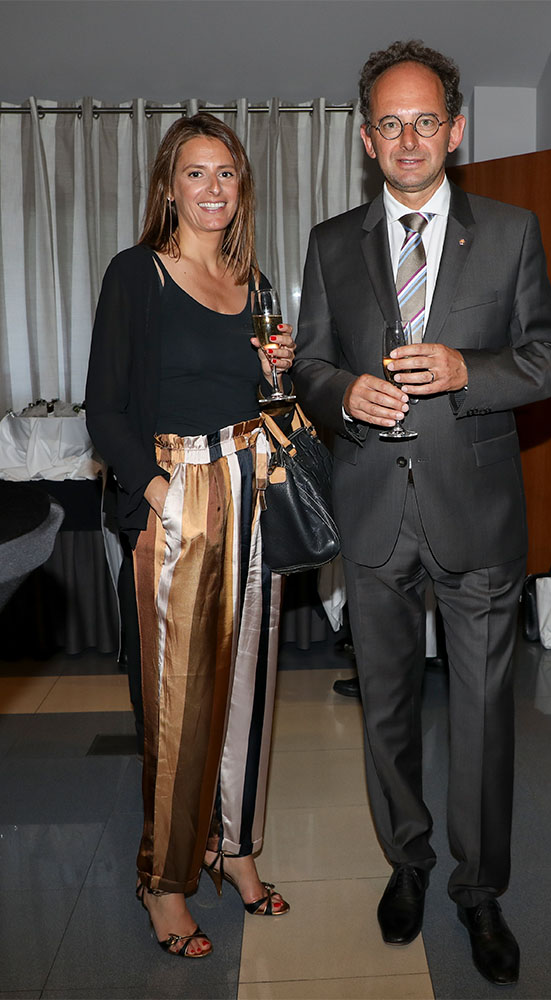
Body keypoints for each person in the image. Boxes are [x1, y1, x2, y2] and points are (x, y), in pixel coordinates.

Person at [292, 40, 551, 985]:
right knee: (386, 708)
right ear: (366, 138)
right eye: (389, 124)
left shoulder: (511, 230)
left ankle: (479, 889)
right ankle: (407, 863)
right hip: (372, 509)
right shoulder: (331, 242)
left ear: (455, 130)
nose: (407, 140)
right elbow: (310, 364)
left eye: (425, 122)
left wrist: (466, 372)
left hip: (477, 515)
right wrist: (342, 396)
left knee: (484, 716)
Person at [86, 112, 294, 959]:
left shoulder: (254, 280)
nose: (213, 188)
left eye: (226, 173)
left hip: (253, 490)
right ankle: (164, 881)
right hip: (176, 495)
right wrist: (161, 493)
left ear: (242, 187)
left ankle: (233, 848)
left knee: (251, 686)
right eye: (196, 173)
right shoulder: (136, 273)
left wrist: (277, 372)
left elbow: (266, 403)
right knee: (177, 703)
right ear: (169, 187)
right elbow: (104, 407)